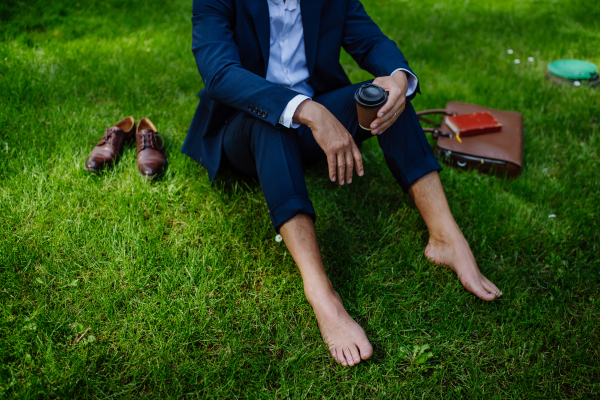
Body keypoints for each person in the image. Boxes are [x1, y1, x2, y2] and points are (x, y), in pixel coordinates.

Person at [181, 0, 502, 367]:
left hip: (314, 124)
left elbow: (371, 42)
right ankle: (321, 292)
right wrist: (310, 111)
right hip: (244, 130)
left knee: (384, 96)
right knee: (271, 123)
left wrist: (398, 78)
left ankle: (445, 235)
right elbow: (220, 72)